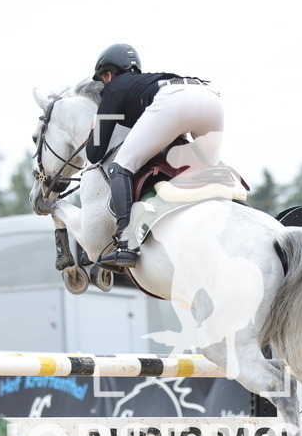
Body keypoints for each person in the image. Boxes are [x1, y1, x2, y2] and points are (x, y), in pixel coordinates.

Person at [87, 43, 224, 268]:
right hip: (209, 95)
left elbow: (94, 154)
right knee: (213, 170)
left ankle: (125, 243)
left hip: (175, 101)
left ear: (108, 74)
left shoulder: (114, 87)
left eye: (103, 78)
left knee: (120, 167)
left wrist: (95, 127)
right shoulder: (146, 82)